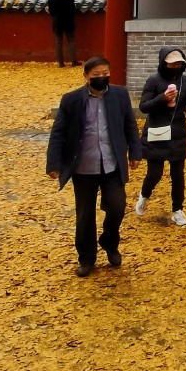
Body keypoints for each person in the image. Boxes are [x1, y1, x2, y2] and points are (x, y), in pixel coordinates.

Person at [46, 56, 142, 277]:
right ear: (86, 76)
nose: (101, 78)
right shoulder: (71, 100)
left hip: (112, 163)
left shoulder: (120, 95)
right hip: (83, 166)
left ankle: (109, 242)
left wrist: (135, 152)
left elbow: (130, 125)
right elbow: (58, 132)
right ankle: (87, 257)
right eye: (96, 75)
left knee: (117, 207)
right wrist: (54, 163)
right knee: (85, 214)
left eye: (105, 74)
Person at [134, 47, 186, 227]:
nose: (176, 67)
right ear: (163, 64)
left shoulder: (185, 82)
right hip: (157, 131)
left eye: (179, 64)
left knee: (178, 174)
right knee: (155, 173)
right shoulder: (153, 81)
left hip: (178, 132)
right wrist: (162, 98)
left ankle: (177, 209)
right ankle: (144, 196)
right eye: (172, 64)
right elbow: (144, 106)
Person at [47, 0, 79, 68]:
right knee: (71, 40)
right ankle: (73, 61)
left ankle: (61, 63)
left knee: (58, 42)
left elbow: (51, 11)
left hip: (57, 21)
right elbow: (72, 9)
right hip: (68, 20)